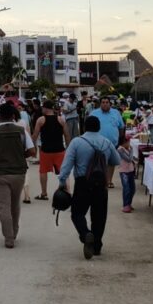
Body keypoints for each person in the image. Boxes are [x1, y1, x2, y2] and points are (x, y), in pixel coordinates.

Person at [57, 116, 122, 259]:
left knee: (77, 213)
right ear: (99, 128)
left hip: (82, 183)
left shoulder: (77, 142)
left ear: (84, 127)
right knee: (99, 216)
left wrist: (62, 182)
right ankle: (97, 246)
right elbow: (116, 160)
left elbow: (67, 165)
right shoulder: (106, 142)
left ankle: (86, 234)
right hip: (101, 184)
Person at [0, 101, 34, 248]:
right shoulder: (22, 131)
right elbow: (32, 152)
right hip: (18, 173)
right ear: (12, 115)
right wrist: (20, 155)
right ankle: (14, 232)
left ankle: (9, 238)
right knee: (15, 205)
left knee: (4, 206)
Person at [33, 101, 70, 201]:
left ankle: (44, 193)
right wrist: (69, 148)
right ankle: (66, 191)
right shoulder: (61, 119)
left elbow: (35, 135)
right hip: (59, 150)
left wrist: (32, 147)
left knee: (43, 171)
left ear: (45, 108)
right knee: (63, 172)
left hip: (46, 150)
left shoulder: (41, 120)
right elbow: (66, 135)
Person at [89, 97, 125, 188]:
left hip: (112, 143)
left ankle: (109, 181)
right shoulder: (94, 113)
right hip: (97, 143)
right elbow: (88, 127)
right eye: (103, 102)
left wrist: (118, 138)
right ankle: (98, 181)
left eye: (107, 102)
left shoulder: (116, 113)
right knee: (97, 163)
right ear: (100, 104)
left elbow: (121, 127)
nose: (105, 104)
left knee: (111, 163)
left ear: (110, 104)